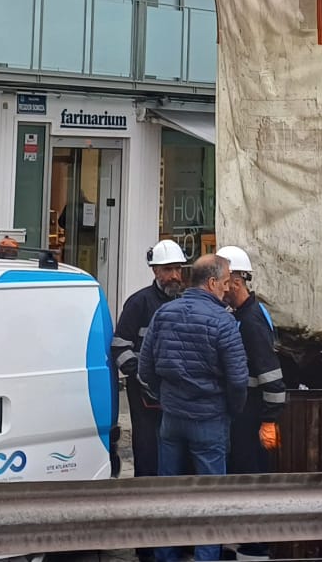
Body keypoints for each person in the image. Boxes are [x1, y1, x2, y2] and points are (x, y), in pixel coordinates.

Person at [138, 254, 247, 562]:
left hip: (171, 417)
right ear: (212, 283)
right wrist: (231, 409)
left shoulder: (164, 314)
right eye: (226, 283)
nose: (228, 289)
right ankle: (206, 557)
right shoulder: (224, 321)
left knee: (169, 493)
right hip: (210, 418)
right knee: (210, 498)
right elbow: (238, 379)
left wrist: (166, 396)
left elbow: (145, 368)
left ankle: (166, 555)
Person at [217, 246, 286, 562]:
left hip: (253, 416)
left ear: (235, 282)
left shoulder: (252, 321)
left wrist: (269, 419)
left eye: (221, 282)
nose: (219, 288)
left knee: (251, 478)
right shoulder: (245, 315)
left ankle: (255, 548)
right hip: (246, 414)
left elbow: (271, 376)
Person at [113, 239, 187, 485]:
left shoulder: (186, 302)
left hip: (176, 391)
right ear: (155, 271)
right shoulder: (139, 303)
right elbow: (120, 346)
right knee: (148, 449)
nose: (175, 276)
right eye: (168, 270)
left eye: (178, 269)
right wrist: (141, 375)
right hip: (144, 394)